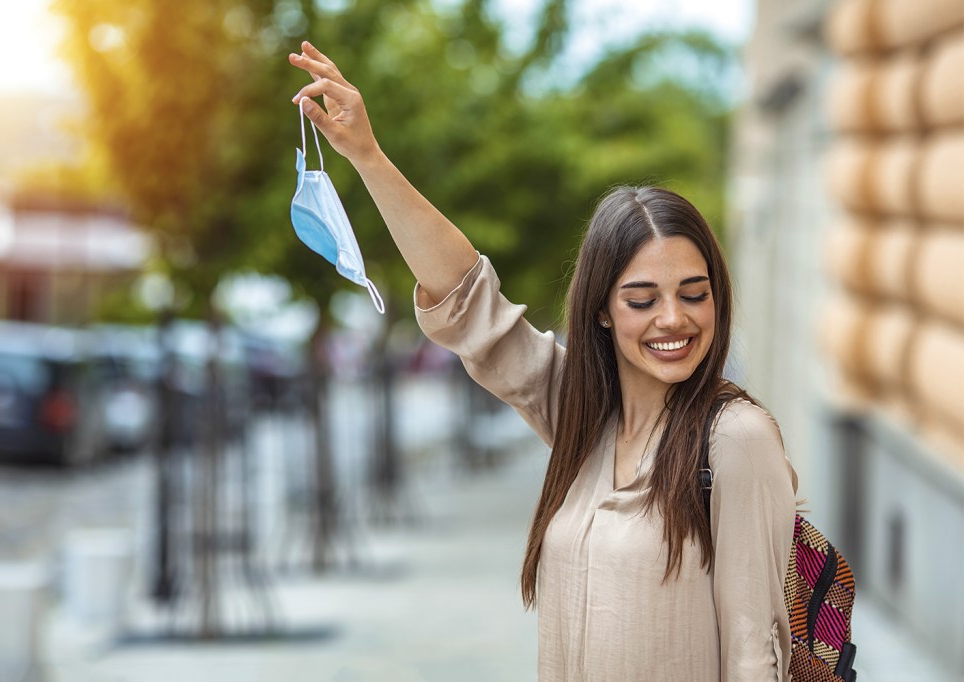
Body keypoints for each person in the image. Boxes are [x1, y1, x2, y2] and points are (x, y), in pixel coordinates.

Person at [289, 41, 798, 682]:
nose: (675, 319)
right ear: (603, 310)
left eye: (694, 295)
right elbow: (468, 304)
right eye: (643, 299)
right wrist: (366, 154)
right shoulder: (582, 416)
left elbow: (756, 654)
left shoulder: (735, 440)